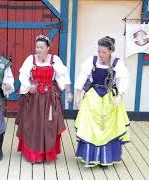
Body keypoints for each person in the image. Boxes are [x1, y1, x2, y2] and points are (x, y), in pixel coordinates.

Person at [15, 34, 73, 163]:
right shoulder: (31, 59)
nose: (38, 50)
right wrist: (29, 86)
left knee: (49, 124)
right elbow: (23, 75)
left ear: (48, 48)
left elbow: (63, 75)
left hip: (49, 98)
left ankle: (47, 152)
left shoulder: (54, 59)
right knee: (33, 123)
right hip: (34, 97)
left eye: (41, 47)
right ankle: (33, 153)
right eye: (37, 47)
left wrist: (68, 92)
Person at [74, 36, 130, 167]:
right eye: (99, 51)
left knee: (108, 128)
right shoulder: (92, 61)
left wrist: (119, 96)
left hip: (110, 98)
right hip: (93, 97)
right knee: (90, 128)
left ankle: (106, 158)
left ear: (111, 51)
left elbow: (123, 80)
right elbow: (83, 77)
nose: (101, 54)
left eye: (104, 52)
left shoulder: (117, 63)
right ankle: (90, 156)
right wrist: (78, 95)